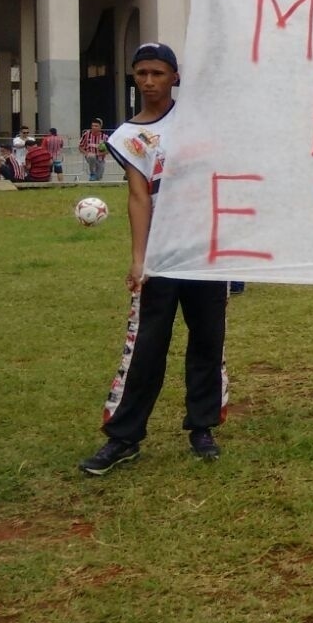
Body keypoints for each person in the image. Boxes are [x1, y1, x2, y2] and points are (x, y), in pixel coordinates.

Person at [78, 41, 230, 475]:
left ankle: (202, 427)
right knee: (146, 345)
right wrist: (139, 258)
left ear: (175, 77)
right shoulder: (127, 137)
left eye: (158, 73)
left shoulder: (196, 115)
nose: (149, 81)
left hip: (203, 248)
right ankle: (124, 437)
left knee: (207, 338)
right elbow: (139, 196)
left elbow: (223, 65)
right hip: (162, 254)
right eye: (141, 73)